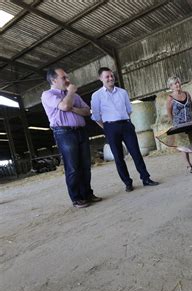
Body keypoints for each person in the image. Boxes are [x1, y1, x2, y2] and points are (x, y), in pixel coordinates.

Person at [41, 67, 102, 208]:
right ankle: (76, 198)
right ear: (53, 80)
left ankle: (87, 193)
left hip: (80, 131)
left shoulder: (74, 95)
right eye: (64, 78)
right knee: (73, 167)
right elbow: (63, 106)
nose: (68, 80)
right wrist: (70, 94)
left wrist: (73, 108)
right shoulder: (48, 95)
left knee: (86, 165)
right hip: (64, 133)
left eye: (67, 77)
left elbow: (87, 111)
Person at [91, 67, 159, 192]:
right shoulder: (96, 96)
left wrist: (127, 123)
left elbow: (128, 111)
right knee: (118, 157)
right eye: (107, 76)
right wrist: (106, 128)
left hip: (126, 125)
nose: (111, 78)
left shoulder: (122, 92)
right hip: (110, 127)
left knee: (136, 153)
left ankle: (146, 178)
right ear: (100, 79)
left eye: (112, 76)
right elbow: (95, 116)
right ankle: (127, 182)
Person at [166, 76, 192, 173]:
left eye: (178, 82)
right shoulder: (170, 98)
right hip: (179, 125)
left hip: (191, 122)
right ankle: (188, 166)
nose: (177, 85)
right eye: (174, 84)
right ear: (170, 86)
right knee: (184, 147)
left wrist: (189, 117)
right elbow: (169, 112)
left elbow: (190, 107)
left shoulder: (187, 94)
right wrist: (174, 123)